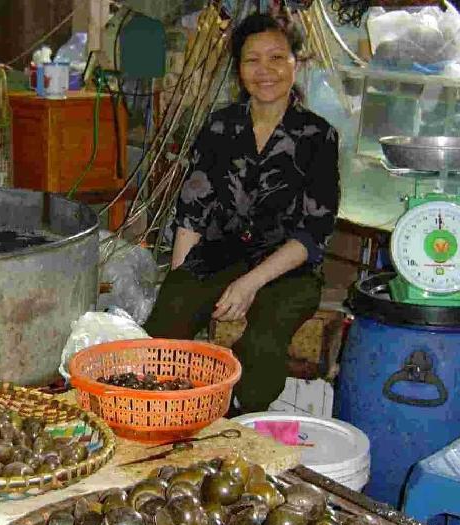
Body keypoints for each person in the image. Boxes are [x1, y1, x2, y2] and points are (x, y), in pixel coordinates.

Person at [144, 12, 340, 415]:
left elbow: (312, 233)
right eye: (252, 60)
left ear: (296, 64)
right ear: (239, 69)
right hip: (221, 254)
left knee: (262, 345)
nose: (265, 71)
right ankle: (161, 414)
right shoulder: (220, 127)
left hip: (288, 269)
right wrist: (181, 283)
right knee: (163, 330)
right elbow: (193, 210)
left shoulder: (318, 136)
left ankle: (237, 421)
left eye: (277, 58)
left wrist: (250, 284)